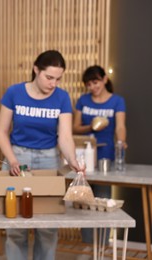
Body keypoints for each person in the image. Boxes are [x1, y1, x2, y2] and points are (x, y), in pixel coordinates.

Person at [0, 50, 82, 260]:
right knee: (15, 225)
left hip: (49, 160)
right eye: (49, 77)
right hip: (17, 157)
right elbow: (1, 131)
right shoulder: (14, 92)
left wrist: (72, 159)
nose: (53, 84)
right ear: (36, 70)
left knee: (47, 226)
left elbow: (65, 136)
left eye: (58, 79)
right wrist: (12, 159)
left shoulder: (61, 97)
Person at [73, 65, 127, 244]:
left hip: (106, 155)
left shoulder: (117, 101)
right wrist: (92, 126)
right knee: (85, 200)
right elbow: (75, 127)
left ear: (104, 80)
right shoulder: (83, 100)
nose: (92, 87)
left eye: (95, 82)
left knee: (103, 200)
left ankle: (102, 246)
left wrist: (121, 142)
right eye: (89, 84)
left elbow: (120, 126)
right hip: (84, 155)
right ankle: (88, 246)